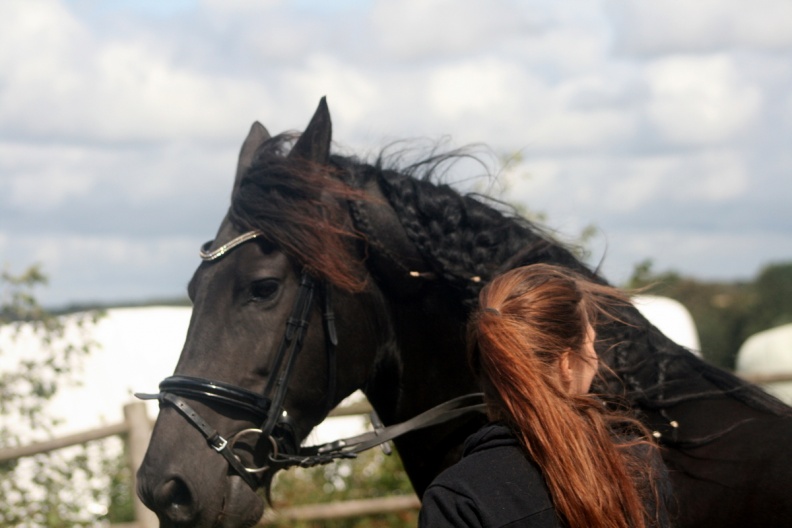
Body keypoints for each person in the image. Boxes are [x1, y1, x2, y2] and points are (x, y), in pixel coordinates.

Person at [419, 263, 672, 528]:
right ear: (566, 365)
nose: (596, 360)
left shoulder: (458, 498)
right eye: (591, 345)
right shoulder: (636, 466)